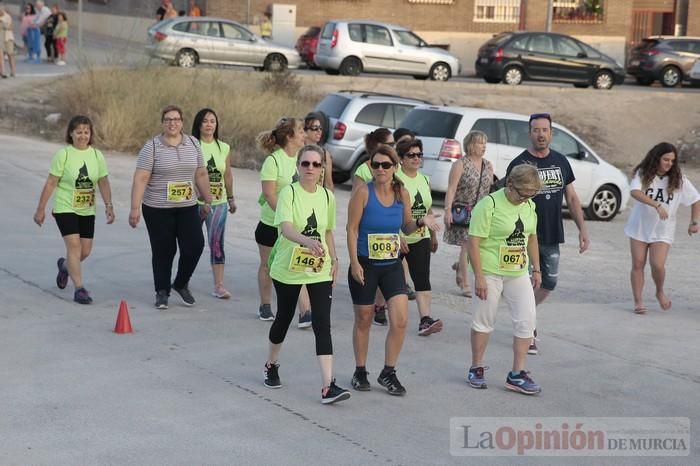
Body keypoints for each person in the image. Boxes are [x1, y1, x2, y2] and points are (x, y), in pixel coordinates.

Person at [347, 145, 440, 396]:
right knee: (364, 319)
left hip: (391, 265)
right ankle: (360, 370)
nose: (379, 169)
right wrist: (354, 263)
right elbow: (352, 229)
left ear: (395, 167)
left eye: (385, 165)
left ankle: (388, 372)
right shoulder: (362, 193)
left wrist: (422, 223)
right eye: (375, 165)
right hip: (365, 263)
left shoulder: (402, 194)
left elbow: (406, 227)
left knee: (400, 321)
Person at [263, 145, 351, 404]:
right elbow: (286, 228)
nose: (310, 168)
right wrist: (306, 242)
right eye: (305, 163)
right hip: (289, 268)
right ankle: (271, 364)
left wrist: (335, 260)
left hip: (318, 269)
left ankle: (327, 386)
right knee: (284, 317)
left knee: (322, 323)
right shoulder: (289, 193)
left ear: (322, 168)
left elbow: (327, 232)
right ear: (298, 166)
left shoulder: (327, 197)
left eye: (315, 164)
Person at [506, 113, 590, 355]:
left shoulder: (561, 161)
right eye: (536, 130)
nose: (540, 134)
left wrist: (583, 230)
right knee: (526, 284)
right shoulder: (520, 164)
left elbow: (572, 198)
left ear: (551, 133)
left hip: (552, 234)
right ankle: (528, 329)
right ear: (529, 133)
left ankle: (525, 315)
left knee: (549, 283)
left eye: (545, 130)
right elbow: (506, 199)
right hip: (522, 237)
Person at [466, 164, 542, 395]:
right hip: (489, 271)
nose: (526, 198)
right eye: (523, 193)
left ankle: (517, 374)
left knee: (527, 320)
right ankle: (476, 367)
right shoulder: (489, 205)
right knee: (484, 320)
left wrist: (536, 269)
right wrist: (478, 276)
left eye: (532, 194)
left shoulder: (529, 205)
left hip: (517, 272)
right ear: (510, 185)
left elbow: (531, 237)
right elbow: (473, 242)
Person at [129, 105, 212, 309]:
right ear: (162, 123)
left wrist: (207, 200)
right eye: (168, 119)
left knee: (195, 245)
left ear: (182, 122)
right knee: (164, 250)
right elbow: (141, 178)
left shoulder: (193, 143)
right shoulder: (152, 147)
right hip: (157, 208)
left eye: (176, 119)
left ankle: (181, 283)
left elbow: (201, 173)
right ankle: (162, 291)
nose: (172, 123)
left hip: (187, 205)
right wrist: (134, 208)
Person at [33, 115, 115, 304]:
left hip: (87, 209)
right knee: (74, 246)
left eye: (86, 132)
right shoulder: (64, 154)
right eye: (78, 132)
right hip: (65, 207)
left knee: (84, 251)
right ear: (71, 133)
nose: (83, 136)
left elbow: (103, 181)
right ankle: (80, 289)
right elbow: (51, 182)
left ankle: (64, 267)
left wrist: (109, 205)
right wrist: (41, 209)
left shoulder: (96, 155)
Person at [624, 142, 700, 314]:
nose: (669, 164)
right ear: (656, 158)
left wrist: (694, 222)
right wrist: (656, 205)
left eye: (672, 161)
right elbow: (635, 192)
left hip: (663, 230)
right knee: (638, 263)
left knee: (657, 265)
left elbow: (696, 199)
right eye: (666, 159)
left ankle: (659, 291)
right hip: (639, 227)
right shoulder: (642, 174)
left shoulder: (679, 179)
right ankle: (638, 301)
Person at [255, 118, 306, 321]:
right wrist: (284, 218)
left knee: (298, 266)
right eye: (300, 131)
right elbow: (269, 195)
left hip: (295, 225)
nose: (304, 134)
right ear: (290, 136)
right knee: (268, 265)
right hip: (271, 225)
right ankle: (265, 305)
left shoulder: (301, 160)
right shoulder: (273, 161)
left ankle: (305, 312)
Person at [395, 138, 442, 336]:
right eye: (411, 155)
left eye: (419, 155)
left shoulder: (424, 179)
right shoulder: (395, 179)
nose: (416, 158)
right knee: (390, 282)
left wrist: (432, 235)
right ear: (400, 158)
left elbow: (428, 208)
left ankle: (425, 320)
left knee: (422, 280)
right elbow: (391, 210)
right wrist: (398, 237)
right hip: (397, 238)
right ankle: (377, 309)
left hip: (420, 236)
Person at [351, 128, 396, 325]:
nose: (393, 147)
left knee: (389, 262)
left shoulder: (395, 170)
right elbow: (356, 199)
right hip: (367, 229)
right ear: (378, 144)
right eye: (390, 143)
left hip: (389, 235)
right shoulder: (363, 170)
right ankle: (373, 304)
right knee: (373, 262)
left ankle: (381, 305)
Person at [191, 108, 237, 299]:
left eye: (212, 121)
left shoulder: (223, 147)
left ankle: (219, 285)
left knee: (216, 242)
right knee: (191, 244)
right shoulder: (192, 145)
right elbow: (190, 173)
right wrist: (201, 199)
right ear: (198, 125)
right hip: (195, 203)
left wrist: (231, 198)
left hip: (218, 204)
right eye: (205, 121)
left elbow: (227, 174)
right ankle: (182, 279)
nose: (209, 124)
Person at [443, 131, 493, 298]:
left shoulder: (488, 165)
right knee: (467, 245)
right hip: (464, 211)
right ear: (471, 145)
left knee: (477, 246)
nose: (483, 146)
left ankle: (460, 267)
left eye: (485, 143)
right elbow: (451, 189)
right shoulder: (460, 164)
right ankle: (465, 284)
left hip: (483, 211)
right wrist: (447, 210)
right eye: (480, 143)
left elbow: (490, 189)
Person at [303, 112, 334, 191]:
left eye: (320, 128)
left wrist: (330, 202)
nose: (319, 131)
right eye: (315, 128)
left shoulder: (324, 154)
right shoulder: (297, 151)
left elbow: (328, 184)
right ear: (305, 131)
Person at [0, 3, 17, 78]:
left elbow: (10, 27)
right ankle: (2, 72)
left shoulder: (7, 16)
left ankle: (13, 71)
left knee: (10, 54)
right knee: (0, 55)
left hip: (8, 37)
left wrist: (3, 25)